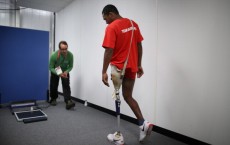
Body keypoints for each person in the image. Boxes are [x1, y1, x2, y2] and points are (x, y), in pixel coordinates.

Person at [101, 4, 153, 144]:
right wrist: (139, 64)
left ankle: (118, 136)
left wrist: (103, 71)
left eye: (105, 18)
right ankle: (142, 123)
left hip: (118, 68)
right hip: (131, 67)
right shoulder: (133, 24)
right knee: (128, 96)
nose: (105, 21)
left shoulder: (111, 27)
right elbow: (139, 45)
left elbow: (108, 51)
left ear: (111, 14)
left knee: (118, 98)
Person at [49, 40, 75, 110]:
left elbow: (71, 66)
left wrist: (66, 72)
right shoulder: (54, 56)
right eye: (62, 49)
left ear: (67, 48)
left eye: (65, 49)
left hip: (64, 70)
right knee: (54, 85)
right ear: (59, 49)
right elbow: (50, 67)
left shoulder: (70, 55)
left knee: (66, 85)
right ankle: (53, 99)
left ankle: (68, 100)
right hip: (56, 69)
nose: (64, 51)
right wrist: (58, 73)